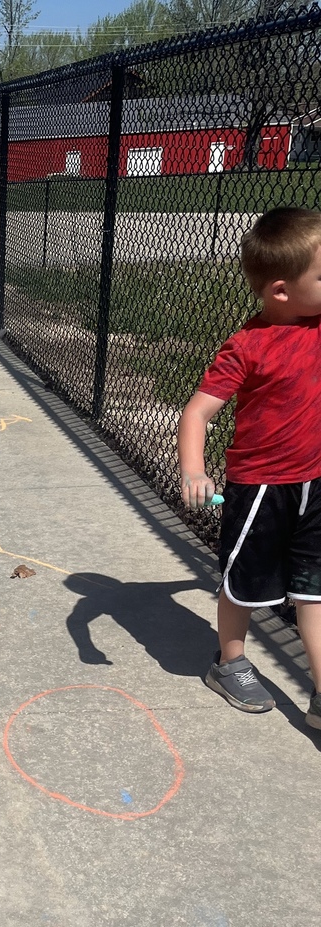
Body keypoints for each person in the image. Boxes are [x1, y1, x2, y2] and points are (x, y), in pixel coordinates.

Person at [178, 206, 321, 728]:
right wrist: (194, 468)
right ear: (281, 291)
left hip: (315, 483)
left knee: (313, 587)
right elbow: (198, 410)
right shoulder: (248, 346)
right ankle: (230, 662)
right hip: (261, 487)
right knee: (244, 583)